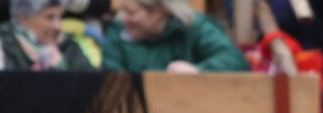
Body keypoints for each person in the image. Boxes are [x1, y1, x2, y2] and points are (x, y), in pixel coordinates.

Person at [101, 0, 249, 73]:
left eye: (131, 12)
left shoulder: (194, 26)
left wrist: (197, 70)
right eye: (123, 11)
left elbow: (234, 60)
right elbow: (111, 77)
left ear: (158, 11)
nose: (124, 19)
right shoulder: (118, 31)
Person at [0, 0, 95, 69]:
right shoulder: (2, 45)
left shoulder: (69, 47)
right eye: (50, 17)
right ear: (24, 18)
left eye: (61, 18)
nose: (58, 26)